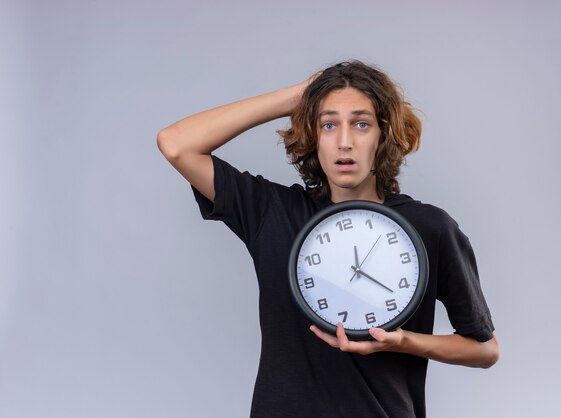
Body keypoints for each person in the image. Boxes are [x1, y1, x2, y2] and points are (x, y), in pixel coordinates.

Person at [157, 60, 499, 418]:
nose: (345, 142)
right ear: (313, 135)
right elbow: (177, 143)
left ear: (383, 135)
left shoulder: (429, 227)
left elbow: (485, 350)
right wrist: (298, 96)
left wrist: (403, 342)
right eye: (329, 124)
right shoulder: (273, 212)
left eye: (361, 124)